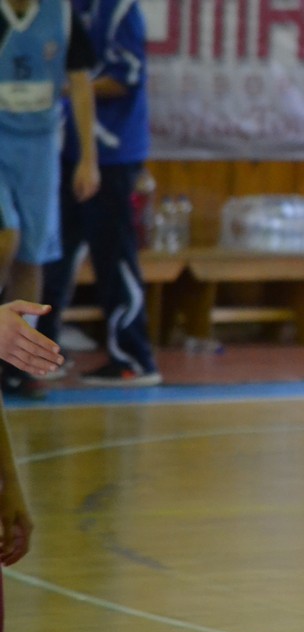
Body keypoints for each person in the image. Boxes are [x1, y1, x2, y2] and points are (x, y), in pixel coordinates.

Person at [38, 0, 160, 387]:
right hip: (67, 148)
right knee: (53, 254)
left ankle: (133, 357)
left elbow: (126, 76)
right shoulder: (63, 8)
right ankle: (41, 352)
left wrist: (67, 87)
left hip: (112, 152)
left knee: (113, 255)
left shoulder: (119, 9)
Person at [0, 0, 100, 398]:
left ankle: (17, 364)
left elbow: (80, 84)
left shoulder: (60, 13)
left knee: (31, 255)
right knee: (6, 237)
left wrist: (89, 159)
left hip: (40, 146)